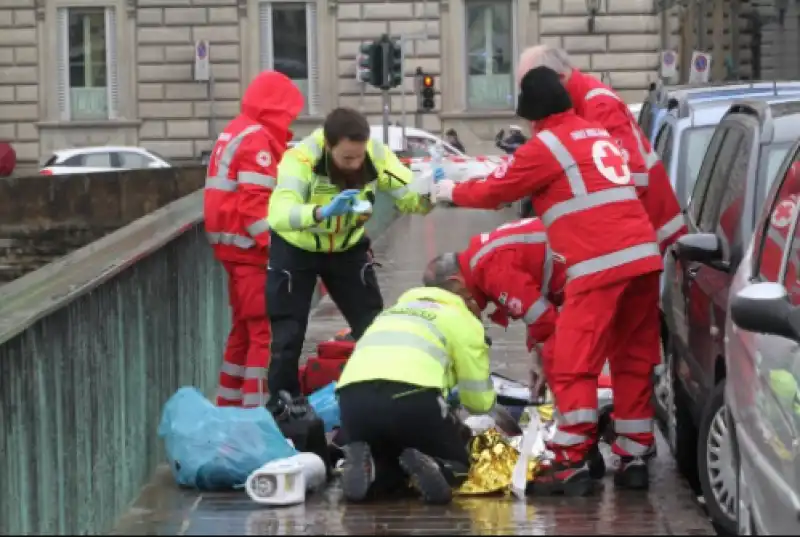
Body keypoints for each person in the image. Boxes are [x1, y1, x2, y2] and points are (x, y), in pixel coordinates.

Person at [434, 66, 663, 495]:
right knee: (631, 357)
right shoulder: (596, 135)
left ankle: (571, 458)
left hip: (599, 261)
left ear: (534, 115)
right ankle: (635, 456)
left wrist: (450, 192)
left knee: (574, 358)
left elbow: (495, 191)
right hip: (642, 256)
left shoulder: (547, 145)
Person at [265, 107, 433, 411]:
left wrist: (431, 192)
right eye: (346, 159)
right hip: (297, 247)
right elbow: (278, 213)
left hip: (346, 246)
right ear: (328, 147)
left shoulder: (375, 154)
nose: (355, 164)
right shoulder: (301, 159)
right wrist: (319, 212)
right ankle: (283, 407)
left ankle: (381, 395)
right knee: (287, 336)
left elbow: (407, 195)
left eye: (359, 156)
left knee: (372, 324)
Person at [428, 217, 606, 479]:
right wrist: (537, 355)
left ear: (456, 281)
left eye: (458, 301)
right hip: (600, 261)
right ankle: (597, 445)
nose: (464, 311)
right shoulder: (485, 256)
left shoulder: (490, 269)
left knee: (564, 361)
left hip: (597, 270)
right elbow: (537, 309)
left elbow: (546, 322)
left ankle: (574, 453)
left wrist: (546, 357)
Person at [336, 273, 495, 505]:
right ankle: (438, 466)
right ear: (467, 297)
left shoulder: (391, 313)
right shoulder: (461, 317)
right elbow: (478, 402)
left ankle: (373, 473)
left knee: (391, 465)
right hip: (411, 399)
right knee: (461, 464)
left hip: (352, 399)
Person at [516, 45, 686, 255]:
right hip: (636, 241)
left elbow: (629, 177)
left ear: (558, 79)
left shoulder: (599, 106)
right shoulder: (576, 107)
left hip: (654, 239)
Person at [204, 71, 304, 407]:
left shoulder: (237, 129)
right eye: (288, 113)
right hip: (250, 253)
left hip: (231, 249)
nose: (290, 120)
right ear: (275, 108)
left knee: (243, 331)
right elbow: (254, 206)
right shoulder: (258, 140)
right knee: (264, 333)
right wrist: (281, 252)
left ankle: (228, 405)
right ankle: (259, 413)